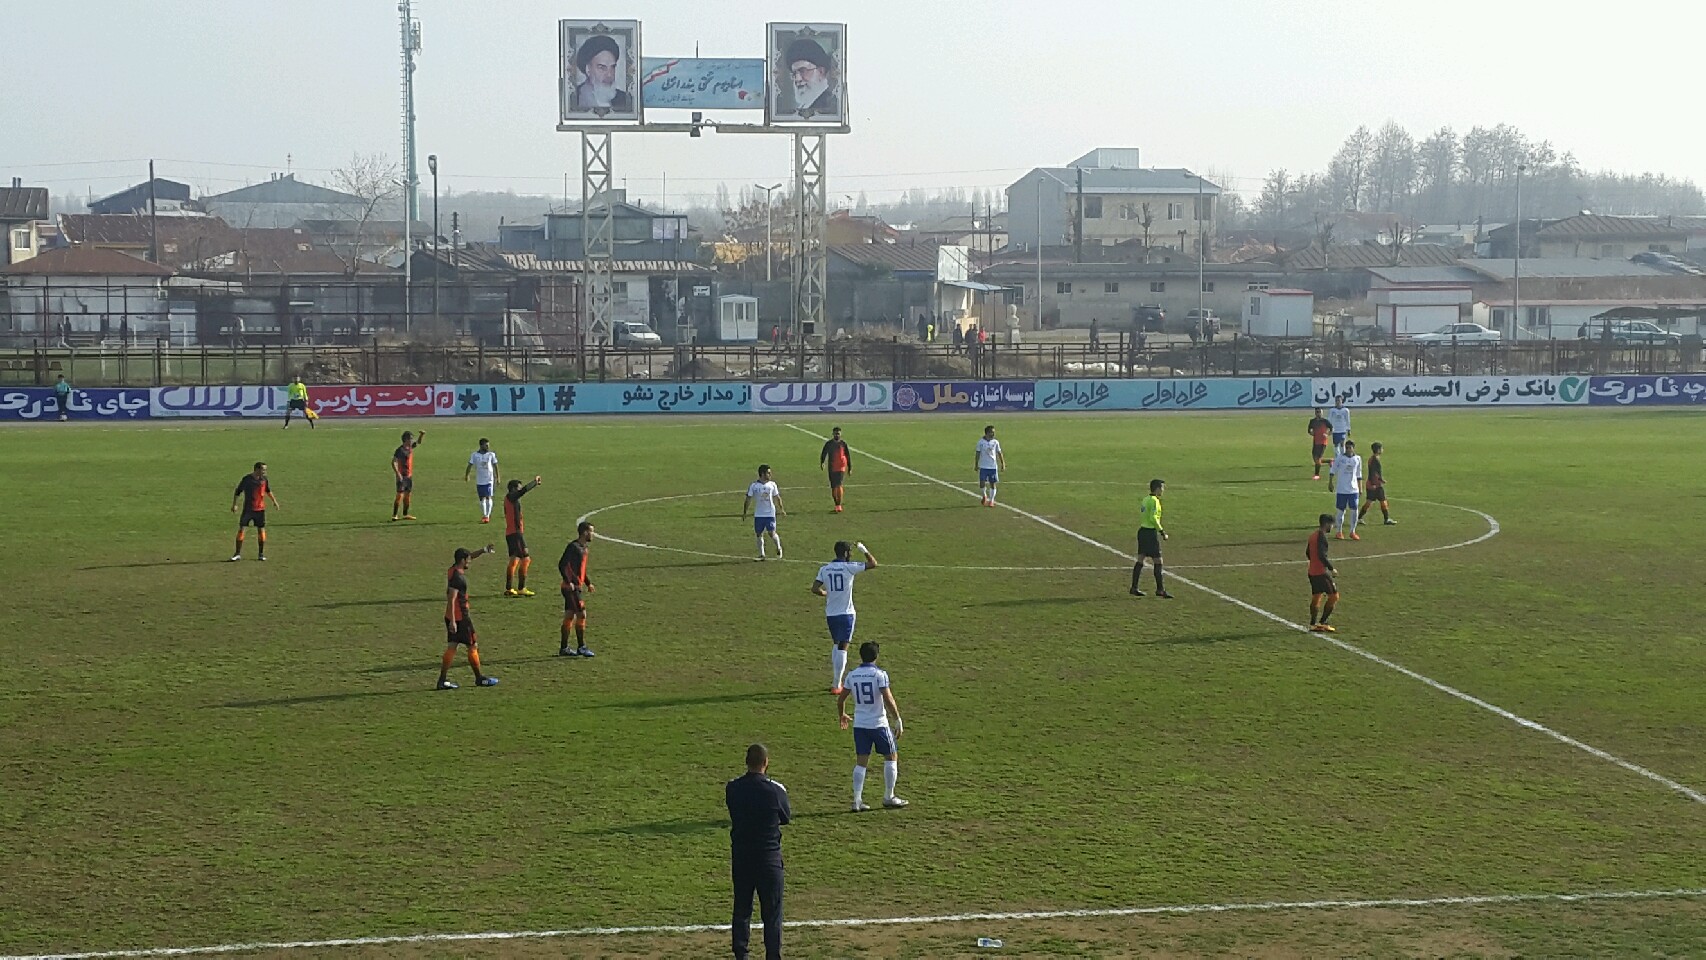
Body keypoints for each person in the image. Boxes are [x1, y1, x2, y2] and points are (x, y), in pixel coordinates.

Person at [725, 743, 789, 960]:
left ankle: (741, 955)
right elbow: (786, 817)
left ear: (746, 762)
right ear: (766, 763)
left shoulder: (732, 788)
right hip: (769, 859)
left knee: (742, 910)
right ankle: (773, 955)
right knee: (772, 915)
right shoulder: (775, 790)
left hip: (742, 859)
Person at [837, 641, 908, 811]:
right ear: (876, 656)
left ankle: (856, 800)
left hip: (860, 725)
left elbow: (841, 699)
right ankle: (889, 796)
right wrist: (897, 719)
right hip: (878, 724)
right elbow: (888, 698)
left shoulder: (852, 675)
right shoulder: (879, 675)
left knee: (861, 761)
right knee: (891, 756)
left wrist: (842, 715)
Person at [813, 540, 878, 693]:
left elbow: (815, 588)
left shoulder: (825, 569)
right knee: (843, 647)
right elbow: (873, 563)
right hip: (846, 614)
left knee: (837, 644)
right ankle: (836, 685)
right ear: (846, 553)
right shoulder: (849, 568)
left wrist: (824, 593)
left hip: (831, 614)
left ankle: (836, 681)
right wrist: (864, 549)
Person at [439, 544, 500, 689]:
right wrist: (454, 621)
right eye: (467, 560)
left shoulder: (452, 569)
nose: (469, 562)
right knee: (472, 646)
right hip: (460, 618)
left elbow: (470, 556)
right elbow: (451, 599)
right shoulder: (458, 578)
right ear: (462, 561)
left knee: (452, 646)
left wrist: (483, 551)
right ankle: (479, 678)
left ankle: (442, 680)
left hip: (451, 616)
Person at [557, 521, 596, 657]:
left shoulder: (584, 548)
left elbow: (581, 570)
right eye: (591, 531)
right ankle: (581, 647)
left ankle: (564, 648)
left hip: (576, 587)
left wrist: (588, 583)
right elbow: (562, 564)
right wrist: (569, 581)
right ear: (585, 532)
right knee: (581, 614)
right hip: (570, 588)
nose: (592, 534)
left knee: (569, 615)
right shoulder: (573, 547)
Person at [229, 461, 280, 561]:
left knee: (261, 530)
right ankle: (237, 554)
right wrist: (234, 504)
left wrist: (274, 501)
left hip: (260, 510)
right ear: (257, 469)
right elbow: (238, 491)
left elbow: (268, 491)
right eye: (263, 469)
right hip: (248, 509)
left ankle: (261, 554)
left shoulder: (264, 480)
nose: (265, 472)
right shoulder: (247, 479)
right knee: (242, 529)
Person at [1130, 478, 1173, 598]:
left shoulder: (1145, 499)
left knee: (1140, 559)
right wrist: (1162, 532)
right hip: (1150, 533)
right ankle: (1160, 589)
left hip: (1142, 531)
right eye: (1162, 488)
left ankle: (1134, 587)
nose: (1163, 490)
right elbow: (1153, 518)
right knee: (1158, 561)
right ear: (1158, 488)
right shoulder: (1154, 501)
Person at [502, 475, 542, 597]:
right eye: (518, 488)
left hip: (511, 533)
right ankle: (521, 588)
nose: (520, 490)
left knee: (514, 560)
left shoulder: (508, 499)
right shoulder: (511, 497)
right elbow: (523, 491)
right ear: (514, 488)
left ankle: (509, 588)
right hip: (516, 534)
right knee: (526, 559)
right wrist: (534, 483)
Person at [571, 34, 632, 113]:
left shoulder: (624, 99)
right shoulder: (575, 97)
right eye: (602, 68)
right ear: (588, 69)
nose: (609, 75)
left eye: (612, 67)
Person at [782, 36, 840, 117]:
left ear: (821, 72)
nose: (797, 79)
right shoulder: (805, 105)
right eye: (794, 73)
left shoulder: (828, 104)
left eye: (803, 71)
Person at [741, 464, 785, 561]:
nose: (770, 474)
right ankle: (762, 555)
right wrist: (745, 512)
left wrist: (781, 509)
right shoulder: (754, 486)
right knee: (759, 534)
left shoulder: (772, 485)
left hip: (770, 513)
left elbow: (777, 497)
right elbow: (748, 499)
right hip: (759, 514)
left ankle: (778, 548)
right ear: (762, 474)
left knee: (771, 533)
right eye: (768, 473)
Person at [1306, 513, 1340, 633]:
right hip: (1320, 572)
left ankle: (1313, 624)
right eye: (1332, 524)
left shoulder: (1313, 535)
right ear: (1326, 524)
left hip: (1312, 571)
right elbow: (1321, 555)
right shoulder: (1321, 537)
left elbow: (1308, 553)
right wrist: (1331, 568)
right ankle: (1323, 622)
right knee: (1334, 596)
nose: (1332, 527)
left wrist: (1314, 562)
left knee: (1317, 596)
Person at [1330, 440, 1364, 540]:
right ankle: (1339, 532)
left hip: (1353, 490)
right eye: (1347, 448)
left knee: (1354, 510)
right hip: (1341, 489)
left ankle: (1352, 531)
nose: (1348, 450)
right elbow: (1333, 470)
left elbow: (1359, 474)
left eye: (1350, 448)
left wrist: (1360, 488)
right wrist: (1330, 482)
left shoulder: (1357, 459)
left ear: (1353, 448)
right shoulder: (1340, 458)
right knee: (1341, 511)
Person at [1358, 442, 1397, 527]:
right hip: (1375, 485)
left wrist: (1381, 479)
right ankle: (1386, 519)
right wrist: (1374, 483)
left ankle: (1359, 518)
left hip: (1374, 484)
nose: (1382, 450)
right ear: (1378, 449)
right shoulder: (1375, 460)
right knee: (1379, 501)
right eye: (1382, 448)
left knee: (1373, 501)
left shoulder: (1373, 459)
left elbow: (1375, 472)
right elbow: (1373, 472)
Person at [391, 429, 424, 521]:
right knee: (399, 495)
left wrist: (421, 435)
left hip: (409, 476)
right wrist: (398, 474)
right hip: (402, 476)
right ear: (406, 439)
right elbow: (394, 462)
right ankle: (394, 515)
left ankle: (405, 514)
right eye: (411, 438)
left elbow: (418, 442)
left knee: (407, 496)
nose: (412, 440)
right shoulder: (400, 450)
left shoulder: (409, 448)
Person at [464, 437, 499, 523]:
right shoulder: (475, 455)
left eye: (488, 445)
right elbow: (470, 465)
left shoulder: (491, 454)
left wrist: (498, 477)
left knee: (488, 497)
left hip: (489, 479)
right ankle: (484, 515)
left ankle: (487, 516)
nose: (488, 447)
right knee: (481, 498)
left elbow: (495, 465)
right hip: (480, 480)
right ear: (481, 445)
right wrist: (467, 475)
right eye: (486, 445)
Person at [819, 426, 852, 512]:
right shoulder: (829, 444)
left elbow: (847, 456)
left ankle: (839, 505)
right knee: (834, 486)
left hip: (841, 468)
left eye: (838, 433)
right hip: (832, 468)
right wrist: (822, 462)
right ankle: (836, 504)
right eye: (835, 433)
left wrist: (849, 467)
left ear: (840, 434)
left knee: (839, 485)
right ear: (833, 434)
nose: (837, 435)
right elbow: (824, 453)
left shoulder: (843, 444)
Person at [975, 424, 1005, 507]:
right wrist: (976, 464)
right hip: (983, 466)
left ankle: (991, 500)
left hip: (992, 467)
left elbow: (999, 453)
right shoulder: (980, 442)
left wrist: (1003, 463)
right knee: (982, 483)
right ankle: (984, 495)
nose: (993, 434)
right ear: (987, 433)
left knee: (992, 483)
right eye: (992, 432)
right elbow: (977, 453)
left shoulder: (995, 442)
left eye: (994, 432)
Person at [1306, 407, 1333, 480]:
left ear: (1322, 413)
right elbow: (1309, 430)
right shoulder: (1312, 421)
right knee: (1315, 458)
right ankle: (1329, 461)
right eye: (1317, 412)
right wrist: (1312, 433)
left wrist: (1327, 434)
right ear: (1315, 413)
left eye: (1320, 412)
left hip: (1323, 442)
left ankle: (1317, 475)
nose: (1318, 413)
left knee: (1317, 459)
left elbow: (1331, 429)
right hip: (1315, 442)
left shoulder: (1325, 421)